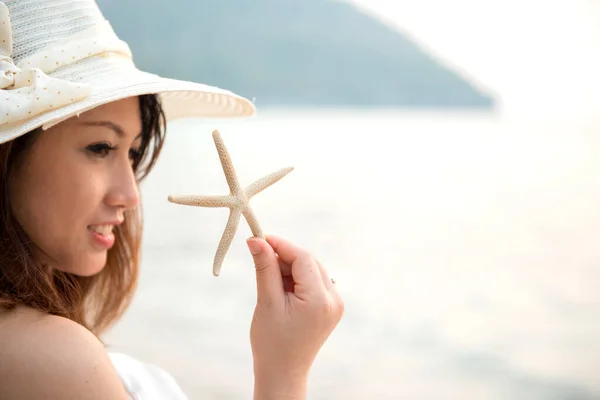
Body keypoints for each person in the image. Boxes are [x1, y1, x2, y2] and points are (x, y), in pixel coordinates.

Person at [0, 0, 344, 399]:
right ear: (8, 153)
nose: (130, 195)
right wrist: (285, 369)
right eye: (100, 147)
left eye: (133, 153)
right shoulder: (51, 358)